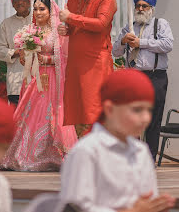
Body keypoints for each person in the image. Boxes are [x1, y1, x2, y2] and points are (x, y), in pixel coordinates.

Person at [60, 69, 176, 212]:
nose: (145, 118)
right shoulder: (87, 152)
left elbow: (148, 200)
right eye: (137, 110)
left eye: (148, 110)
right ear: (109, 109)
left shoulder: (141, 151)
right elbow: (76, 207)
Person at [0, 0, 77, 171]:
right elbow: (29, 56)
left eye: (42, 9)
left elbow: (65, 57)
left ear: (50, 12)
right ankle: (28, 155)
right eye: (35, 9)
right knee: (32, 112)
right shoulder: (31, 31)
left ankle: (57, 154)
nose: (38, 12)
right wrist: (26, 54)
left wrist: (48, 59)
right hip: (35, 79)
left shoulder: (59, 31)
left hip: (53, 79)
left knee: (51, 112)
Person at [58, 0, 117, 137]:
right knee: (78, 108)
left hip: (96, 61)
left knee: (95, 108)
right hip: (76, 61)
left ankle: (101, 154)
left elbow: (100, 24)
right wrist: (66, 29)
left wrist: (70, 19)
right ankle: (84, 151)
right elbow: (76, 27)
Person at [112, 0, 173, 161]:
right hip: (134, 77)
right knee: (131, 116)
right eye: (137, 6)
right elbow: (115, 52)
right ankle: (132, 155)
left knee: (153, 117)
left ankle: (150, 158)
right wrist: (123, 41)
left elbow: (168, 44)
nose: (140, 9)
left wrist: (142, 43)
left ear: (151, 8)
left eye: (144, 6)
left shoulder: (160, 24)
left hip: (155, 76)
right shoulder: (129, 27)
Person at [0, 0, 33, 105]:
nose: (20, 2)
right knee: (16, 118)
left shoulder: (37, 20)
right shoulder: (6, 23)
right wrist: (16, 52)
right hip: (16, 78)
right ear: (12, 3)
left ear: (29, 1)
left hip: (36, 77)